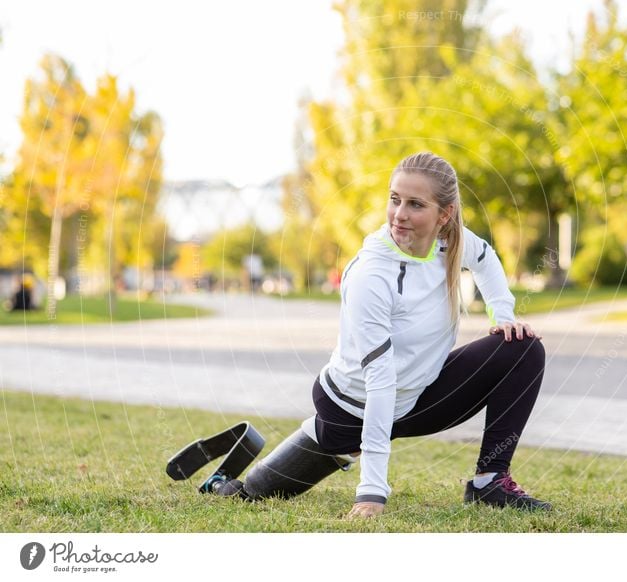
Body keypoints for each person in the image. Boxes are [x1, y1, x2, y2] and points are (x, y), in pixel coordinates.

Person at [215, 152, 550, 516]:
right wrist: (371, 490)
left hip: (414, 400)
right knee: (250, 494)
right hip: (349, 410)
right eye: (395, 200)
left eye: (415, 204)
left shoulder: (450, 241)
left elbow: (485, 257)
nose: (400, 214)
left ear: (445, 215)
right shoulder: (372, 275)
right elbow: (379, 377)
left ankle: (490, 482)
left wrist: (503, 315)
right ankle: (237, 480)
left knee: (523, 348)